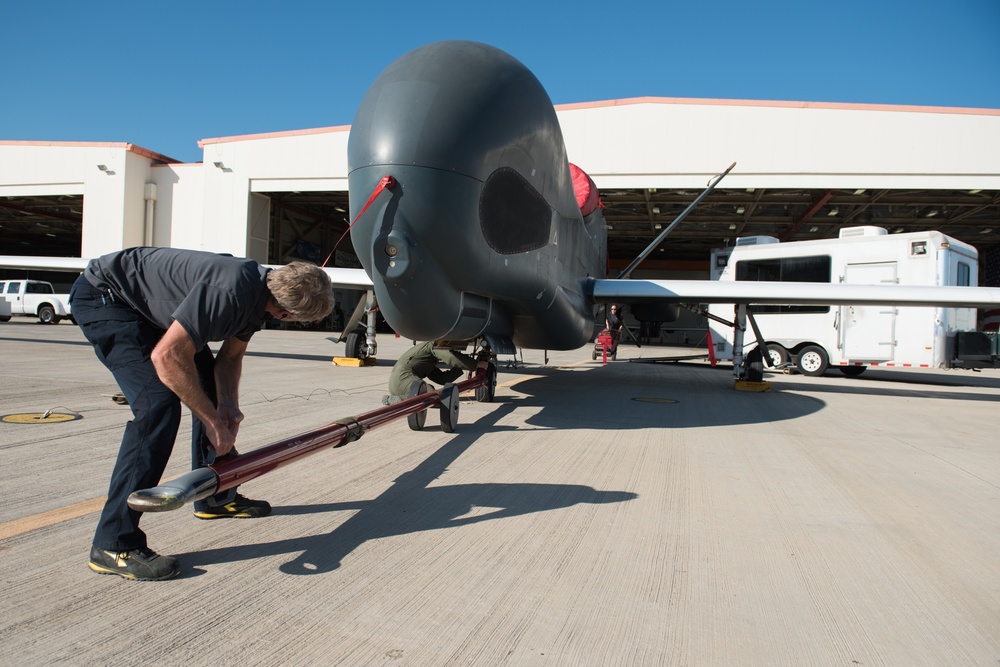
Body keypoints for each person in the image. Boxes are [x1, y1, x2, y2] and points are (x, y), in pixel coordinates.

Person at [70, 247, 334, 581]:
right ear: (284, 313)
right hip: (107, 298)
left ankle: (215, 497)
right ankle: (113, 543)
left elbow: (229, 359)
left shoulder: (263, 291)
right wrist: (211, 421)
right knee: (158, 407)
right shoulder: (230, 293)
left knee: (206, 389)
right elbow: (167, 357)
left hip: (145, 309)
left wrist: (227, 408)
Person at [383, 341, 483, 404]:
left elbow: (442, 378)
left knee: (431, 392)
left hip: (397, 383)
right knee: (431, 395)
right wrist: (475, 364)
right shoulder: (433, 346)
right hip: (403, 379)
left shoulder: (427, 360)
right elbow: (451, 357)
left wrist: (461, 367)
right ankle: (399, 400)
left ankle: (401, 398)